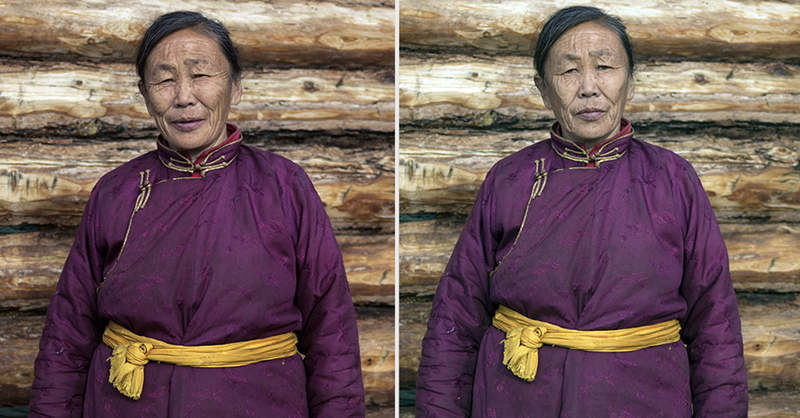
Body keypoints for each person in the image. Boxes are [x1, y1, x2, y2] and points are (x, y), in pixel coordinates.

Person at [416, 6, 747, 417]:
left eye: (605, 66)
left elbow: (714, 324)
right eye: (569, 71)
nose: (589, 87)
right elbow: (457, 317)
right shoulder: (510, 179)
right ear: (542, 87)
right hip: (517, 400)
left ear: (629, 77)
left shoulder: (673, 180)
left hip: (645, 400)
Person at [29, 11, 365, 418]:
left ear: (236, 87)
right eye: (165, 79)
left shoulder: (284, 186)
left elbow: (332, 333)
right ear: (144, 92)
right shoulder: (116, 192)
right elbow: (69, 330)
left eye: (201, 75)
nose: (184, 97)